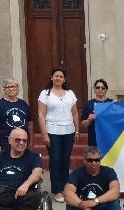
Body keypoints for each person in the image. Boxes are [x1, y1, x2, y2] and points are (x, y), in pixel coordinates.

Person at [37, 66, 80, 203]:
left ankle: (65, 187)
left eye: (61, 76)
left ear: (64, 79)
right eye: (56, 76)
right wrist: (44, 134)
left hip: (68, 130)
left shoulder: (70, 94)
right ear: (51, 77)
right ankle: (57, 190)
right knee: (55, 160)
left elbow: (74, 113)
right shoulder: (45, 94)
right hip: (52, 131)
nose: (58, 78)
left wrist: (77, 130)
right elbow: (41, 114)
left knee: (65, 160)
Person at [0, 79, 31, 152]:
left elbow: (30, 123)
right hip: (5, 142)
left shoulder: (24, 104)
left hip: (22, 141)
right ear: (4, 90)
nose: (11, 89)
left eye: (13, 86)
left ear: (17, 89)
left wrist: (31, 142)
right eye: (8, 87)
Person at [81, 78, 114, 147]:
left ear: (106, 90)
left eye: (103, 88)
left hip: (109, 138)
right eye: (98, 87)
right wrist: (89, 120)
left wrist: (118, 105)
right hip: (94, 139)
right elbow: (83, 125)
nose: (100, 89)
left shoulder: (112, 103)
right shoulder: (89, 104)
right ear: (94, 89)